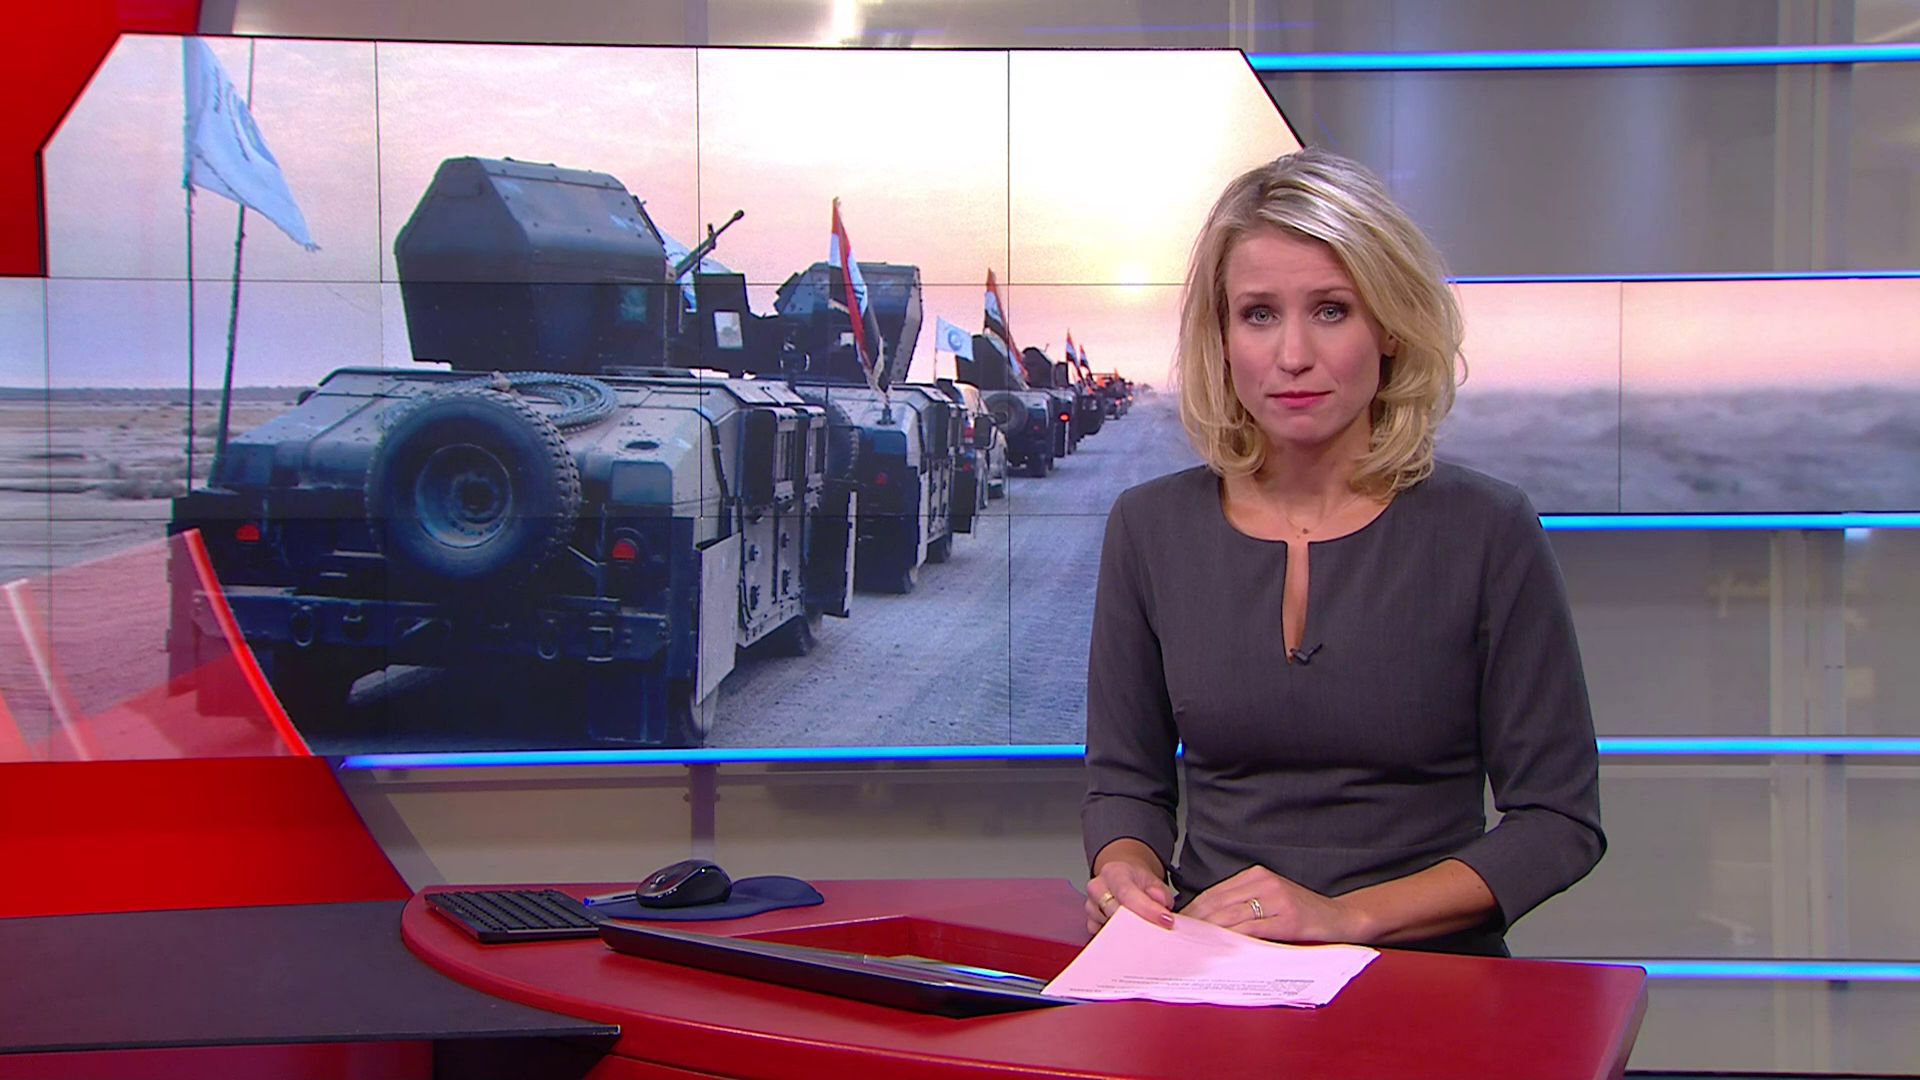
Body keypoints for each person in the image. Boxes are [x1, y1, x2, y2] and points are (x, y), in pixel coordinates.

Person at [1080, 147, 1604, 957]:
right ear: (1222, 337)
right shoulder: (1149, 528)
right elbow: (1126, 784)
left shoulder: (1487, 529)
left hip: (1424, 978)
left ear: (1389, 327)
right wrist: (1127, 875)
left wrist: (1347, 918)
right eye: (1259, 314)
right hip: (1215, 970)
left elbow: (1557, 821)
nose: (1293, 355)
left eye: (1331, 310)